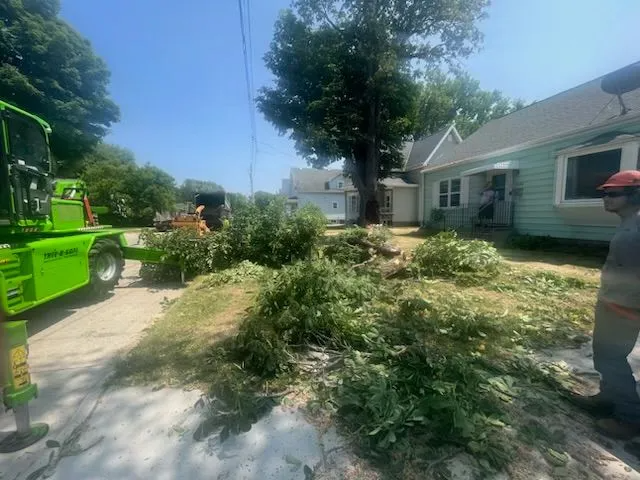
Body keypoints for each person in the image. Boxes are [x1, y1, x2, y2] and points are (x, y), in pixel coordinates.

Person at [571, 170, 640, 440]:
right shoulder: (629, 223)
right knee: (605, 356)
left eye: (613, 194)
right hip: (615, 302)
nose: (606, 198)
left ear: (634, 195)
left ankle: (629, 417)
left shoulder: (635, 230)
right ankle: (608, 398)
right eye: (604, 193)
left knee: (611, 358)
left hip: (624, 308)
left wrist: (624, 305)